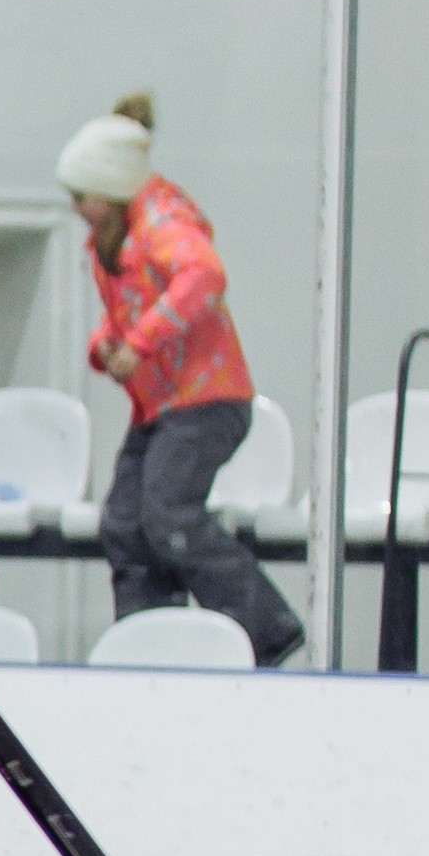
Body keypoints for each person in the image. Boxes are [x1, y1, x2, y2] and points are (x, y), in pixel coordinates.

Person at [61, 97, 302, 664]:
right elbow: (121, 316)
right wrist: (106, 346)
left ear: (112, 190)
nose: (74, 208)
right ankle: (149, 638)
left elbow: (204, 275)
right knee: (124, 521)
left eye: (81, 196)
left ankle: (267, 626)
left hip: (208, 402)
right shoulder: (109, 242)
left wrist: (140, 343)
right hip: (160, 408)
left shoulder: (165, 225)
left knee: (169, 514)